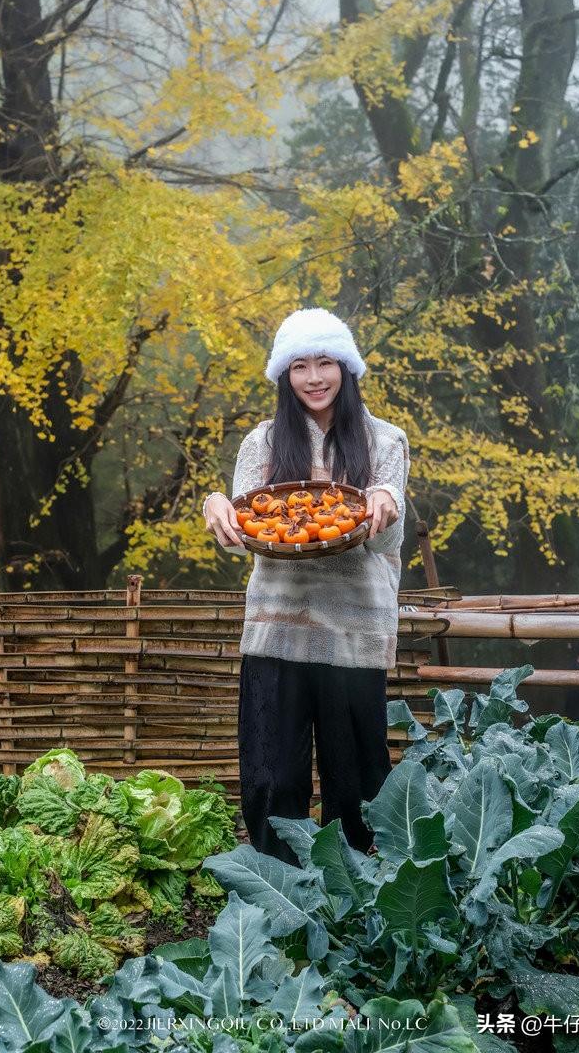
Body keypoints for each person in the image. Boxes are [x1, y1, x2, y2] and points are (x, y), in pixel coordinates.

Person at [202, 307, 410, 866]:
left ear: (347, 368)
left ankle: (359, 894)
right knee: (273, 772)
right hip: (276, 628)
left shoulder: (385, 441)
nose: (314, 378)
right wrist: (217, 506)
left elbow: (387, 544)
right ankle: (277, 891)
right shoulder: (262, 443)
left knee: (357, 779)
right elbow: (241, 535)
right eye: (299, 366)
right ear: (283, 375)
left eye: (325, 363)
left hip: (353, 629)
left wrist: (388, 501)